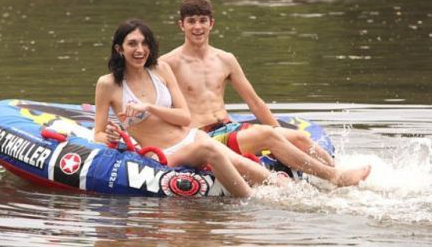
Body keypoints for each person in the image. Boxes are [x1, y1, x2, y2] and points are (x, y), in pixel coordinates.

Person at [159, 0, 371, 186]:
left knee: (299, 138)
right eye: (191, 21)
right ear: (181, 25)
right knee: (268, 136)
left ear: (211, 23)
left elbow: (254, 102)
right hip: (204, 135)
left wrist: (279, 132)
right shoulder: (168, 63)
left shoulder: (225, 59)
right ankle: (337, 178)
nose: (198, 27)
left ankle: (337, 171)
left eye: (203, 21)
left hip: (228, 128)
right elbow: (155, 102)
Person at [94, 18, 288, 198]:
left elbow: (184, 118)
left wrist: (150, 108)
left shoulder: (160, 69)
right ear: (119, 49)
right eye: (132, 44)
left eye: (145, 43)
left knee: (233, 159)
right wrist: (112, 136)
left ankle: (290, 191)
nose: (140, 49)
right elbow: (98, 134)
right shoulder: (107, 84)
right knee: (209, 148)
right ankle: (252, 201)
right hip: (165, 153)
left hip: (189, 135)